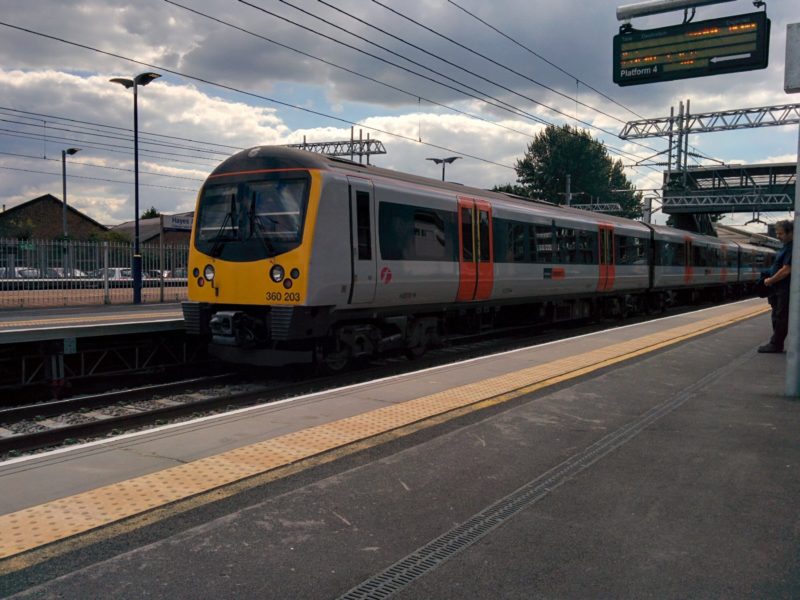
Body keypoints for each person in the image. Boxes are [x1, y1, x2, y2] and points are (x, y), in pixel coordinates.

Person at [759, 219, 793, 353]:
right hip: (778, 289)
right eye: (777, 234)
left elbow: (786, 270)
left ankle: (776, 344)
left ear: (790, 232)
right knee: (778, 315)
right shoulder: (785, 247)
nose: (778, 237)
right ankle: (776, 343)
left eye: (780, 234)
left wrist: (770, 280)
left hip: (784, 289)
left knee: (781, 317)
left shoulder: (792, 247)